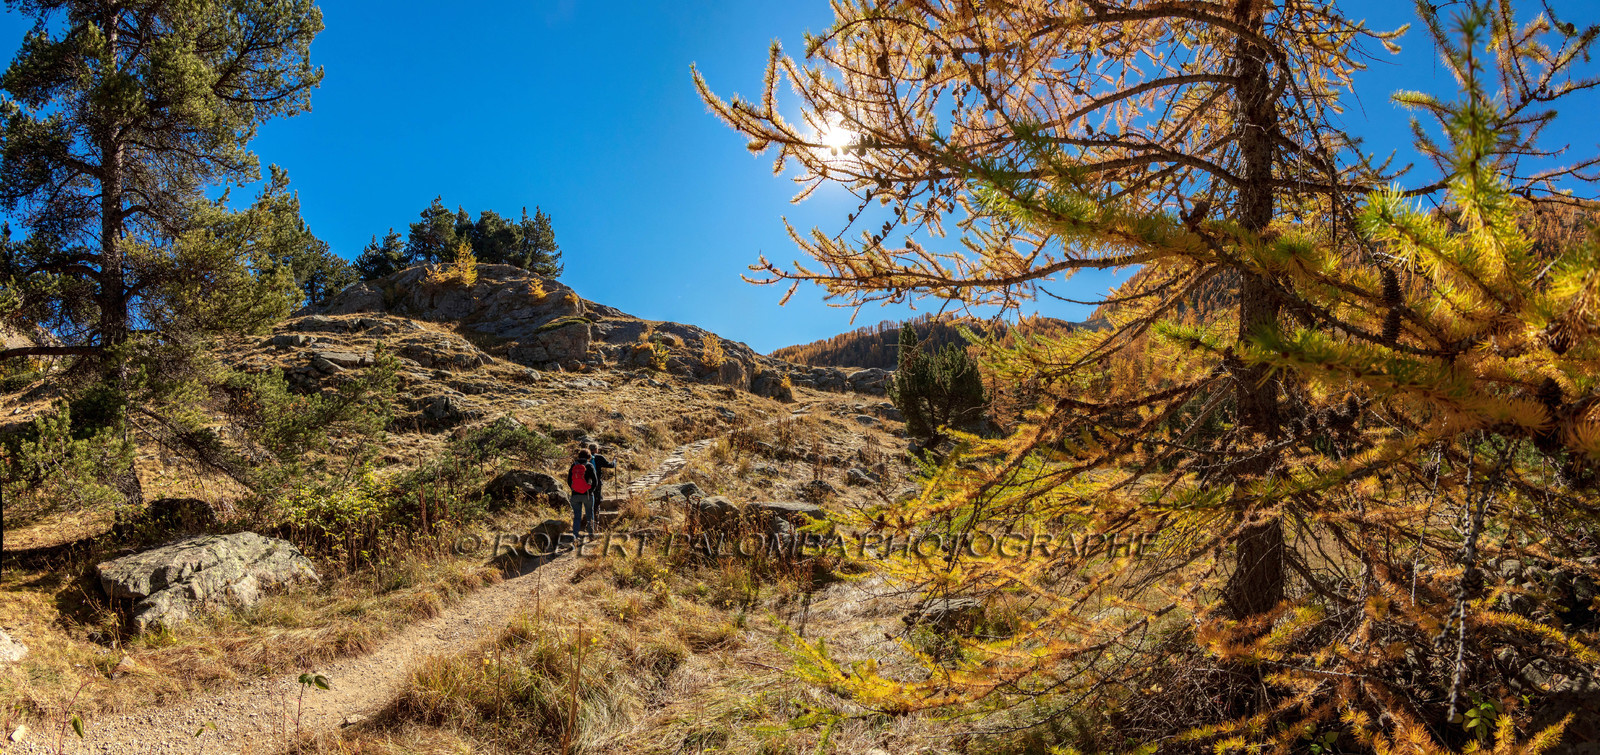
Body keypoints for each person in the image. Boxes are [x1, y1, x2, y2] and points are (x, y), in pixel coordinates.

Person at [567, 448, 599, 541]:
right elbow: (595, 481)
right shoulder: (589, 465)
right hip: (588, 495)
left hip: (575, 495)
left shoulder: (573, 465)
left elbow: (569, 480)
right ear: (588, 456)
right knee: (589, 515)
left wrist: (574, 489)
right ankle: (591, 535)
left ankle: (575, 536)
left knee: (577, 516)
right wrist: (590, 490)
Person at [587, 442, 616, 517]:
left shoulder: (586, 458)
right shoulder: (599, 457)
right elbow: (610, 465)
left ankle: (590, 515)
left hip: (587, 482)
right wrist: (614, 461)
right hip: (597, 481)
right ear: (596, 449)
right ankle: (596, 516)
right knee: (597, 498)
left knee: (590, 497)